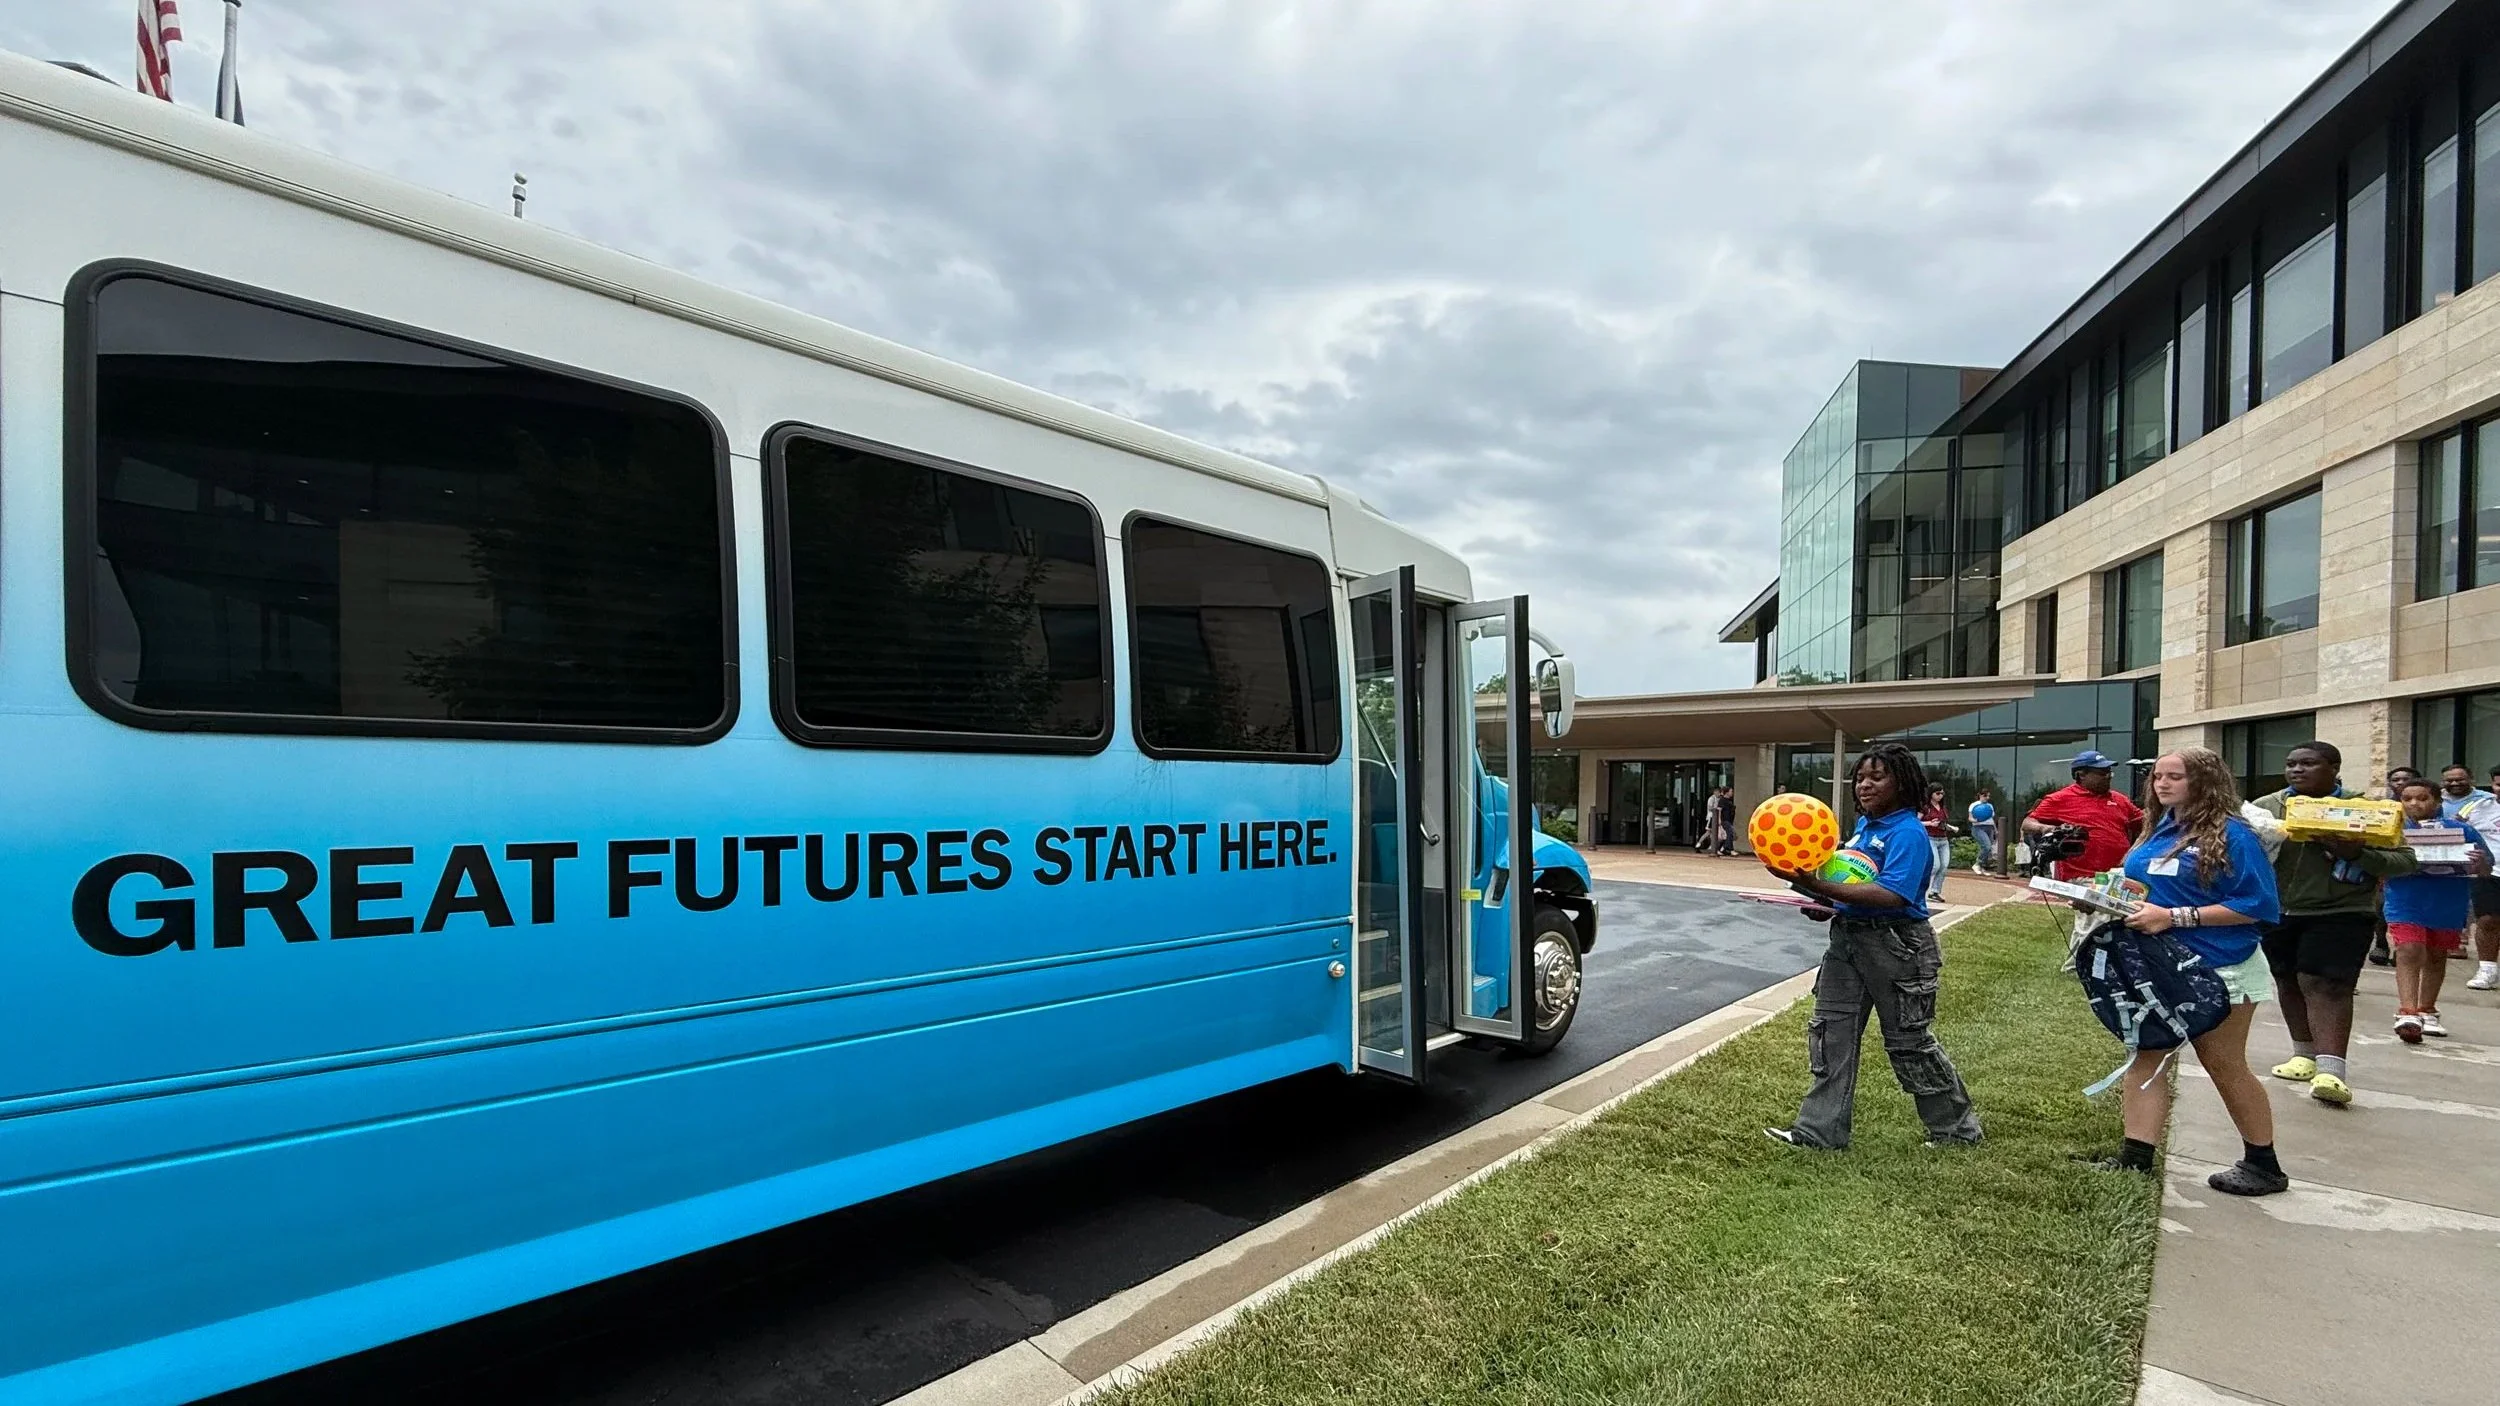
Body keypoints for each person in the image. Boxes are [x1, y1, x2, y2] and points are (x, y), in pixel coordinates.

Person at [1761, 743, 1983, 1152]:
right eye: (1860, 777)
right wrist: (1824, 903)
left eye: (1876, 777)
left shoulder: (1909, 832)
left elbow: (1893, 895)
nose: (1864, 785)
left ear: (1902, 783)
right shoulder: (1865, 829)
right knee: (1832, 1035)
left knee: (1909, 1042)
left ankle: (1956, 1131)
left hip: (1898, 948)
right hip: (1848, 943)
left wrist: (1817, 886)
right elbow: (1850, 885)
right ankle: (1818, 1132)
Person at [2096, 747, 2288, 1196]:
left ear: (2203, 781)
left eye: (2175, 777)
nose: (2162, 784)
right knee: (2147, 1053)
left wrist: (2175, 916)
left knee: (2223, 1062)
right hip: (2159, 964)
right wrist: (2106, 895)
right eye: (2157, 776)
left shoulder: (2234, 835)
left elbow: (2258, 905)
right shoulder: (2159, 827)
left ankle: (2264, 1163)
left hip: (2222, 965)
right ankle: (2135, 1157)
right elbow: (2150, 884)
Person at [2256, 741, 2419, 1106]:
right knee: (2288, 979)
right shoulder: (2266, 809)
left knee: (2327, 983)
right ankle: (2303, 1054)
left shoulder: (2365, 810)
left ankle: (2332, 1070)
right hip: (2280, 912)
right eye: (2291, 763)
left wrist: (2355, 852)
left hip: (2340, 911)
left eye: (2309, 763)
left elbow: (2406, 862)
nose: (2297, 770)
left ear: (2334, 768)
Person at [2385, 777, 2493, 1040]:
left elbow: (2486, 866)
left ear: (2437, 800)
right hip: (2405, 899)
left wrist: (2478, 863)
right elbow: (2379, 861)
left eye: (2422, 798)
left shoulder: (2461, 830)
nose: (2414, 804)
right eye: (2407, 799)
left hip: (2447, 900)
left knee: (2436, 954)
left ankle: (2427, 1010)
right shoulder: (2392, 830)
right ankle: (2407, 1011)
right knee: (2409, 949)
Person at [2022, 751, 2144, 880]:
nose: (2108, 776)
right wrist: (2045, 828)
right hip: (2079, 877)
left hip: (2117, 876)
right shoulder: (2060, 799)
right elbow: (2027, 823)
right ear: (2081, 775)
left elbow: (2145, 822)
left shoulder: (2120, 799)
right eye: (2102, 773)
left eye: (2109, 772)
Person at [2436, 765, 2500, 989]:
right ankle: (2487, 970)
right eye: (2498, 784)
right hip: (2489, 871)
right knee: (2487, 921)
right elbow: (2457, 831)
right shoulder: (2479, 806)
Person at [1919, 783, 1954, 905]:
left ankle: (1935, 891)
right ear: (1931, 794)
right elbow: (1915, 822)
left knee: (1944, 866)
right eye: (1937, 793)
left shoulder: (1943, 807)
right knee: (1935, 865)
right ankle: (1919, 887)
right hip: (1930, 838)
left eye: (1942, 793)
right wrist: (1929, 823)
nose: (1940, 796)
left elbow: (1942, 823)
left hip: (1943, 839)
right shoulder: (1925, 808)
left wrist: (1951, 828)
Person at [1968, 789, 1998, 876]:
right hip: (1978, 827)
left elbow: (1991, 819)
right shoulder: (1974, 805)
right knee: (1987, 846)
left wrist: (1995, 830)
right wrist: (1975, 820)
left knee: (1988, 849)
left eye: (1988, 796)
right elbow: (1970, 818)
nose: (1987, 798)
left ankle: (1982, 867)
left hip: (1990, 827)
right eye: (1985, 796)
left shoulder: (1990, 806)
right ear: (1980, 795)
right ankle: (1977, 864)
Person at [1715, 786, 1738, 857]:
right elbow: (1719, 810)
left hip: (1729, 820)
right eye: (1731, 791)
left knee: (1729, 835)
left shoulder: (1729, 800)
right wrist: (1719, 820)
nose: (1732, 793)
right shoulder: (1722, 800)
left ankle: (1721, 849)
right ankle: (1728, 849)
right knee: (1730, 833)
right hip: (1724, 820)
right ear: (1727, 792)